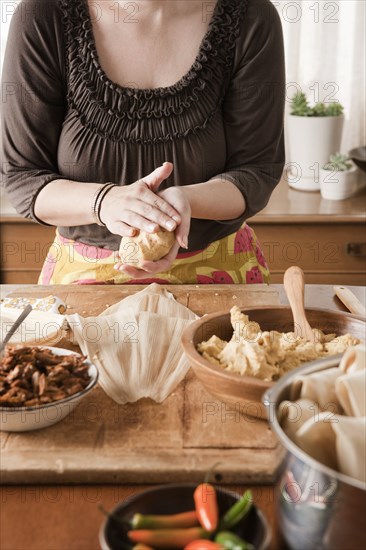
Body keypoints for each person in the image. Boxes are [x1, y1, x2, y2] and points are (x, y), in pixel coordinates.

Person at [1, 0, 285, 285]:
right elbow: (22, 176)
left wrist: (184, 202)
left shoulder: (252, 16)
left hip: (218, 275)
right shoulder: (43, 15)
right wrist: (104, 202)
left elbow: (257, 170)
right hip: (83, 282)